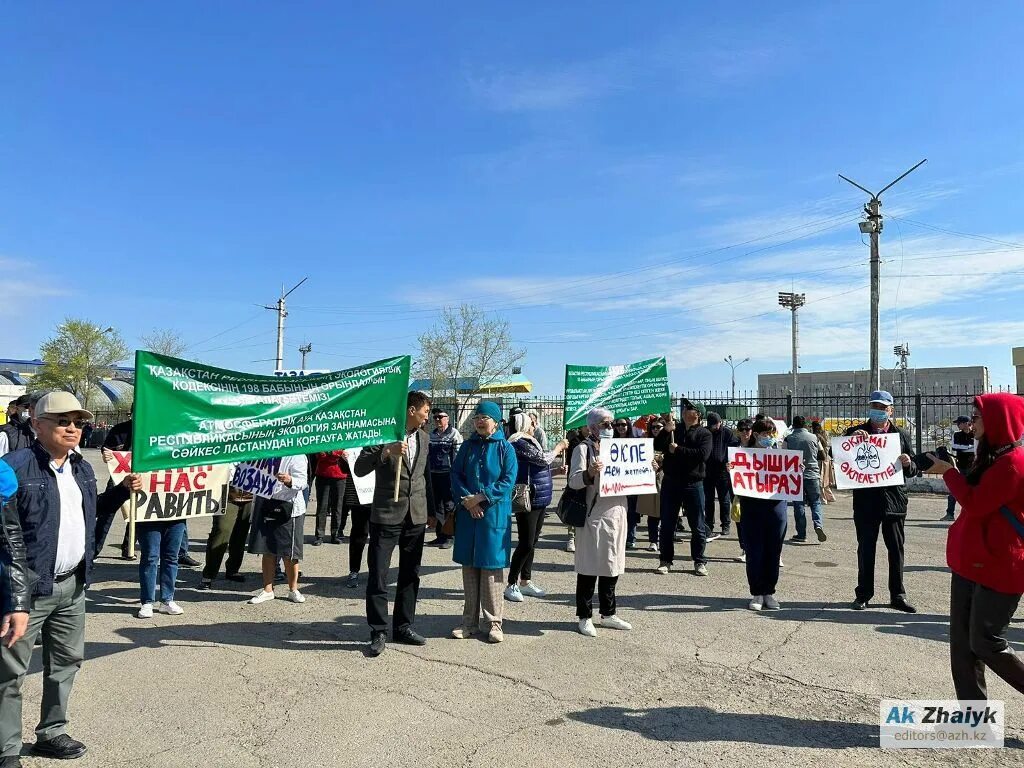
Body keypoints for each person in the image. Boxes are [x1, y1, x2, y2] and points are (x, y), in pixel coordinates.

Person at [0, 392, 140, 763]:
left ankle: (52, 732)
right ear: (37, 424)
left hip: (73, 586)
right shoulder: (12, 469)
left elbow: (89, 514)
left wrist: (121, 493)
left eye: (79, 422)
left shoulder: (80, 468)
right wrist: (15, 601)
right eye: (63, 421)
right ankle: (7, 748)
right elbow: (5, 541)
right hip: (26, 590)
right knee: (9, 675)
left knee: (64, 664)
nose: (73, 428)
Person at [925, 393, 1024, 700]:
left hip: (1000, 566)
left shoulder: (1012, 464)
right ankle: (974, 718)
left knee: (986, 642)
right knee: (963, 645)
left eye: (978, 417)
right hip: (972, 562)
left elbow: (976, 503)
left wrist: (949, 473)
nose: (972, 422)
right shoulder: (992, 455)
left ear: (998, 420)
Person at [354, 391, 435, 657]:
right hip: (387, 515)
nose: (427, 416)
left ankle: (403, 626)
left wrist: (433, 512)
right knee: (378, 574)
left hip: (416, 515)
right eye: (425, 411)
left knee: (410, 574)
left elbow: (425, 477)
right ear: (411, 410)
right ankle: (378, 630)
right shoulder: (383, 434)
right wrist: (387, 452)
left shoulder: (424, 437)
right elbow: (360, 468)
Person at [844, 390, 918, 613]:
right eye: (874, 407)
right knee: (866, 549)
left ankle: (898, 595)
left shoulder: (901, 435)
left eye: (882, 408)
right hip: (866, 503)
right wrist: (852, 440)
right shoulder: (855, 432)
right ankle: (863, 594)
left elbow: (914, 468)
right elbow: (837, 455)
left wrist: (908, 463)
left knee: (896, 550)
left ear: (890, 411)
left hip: (894, 502)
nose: (877, 412)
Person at [450, 401, 517, 643]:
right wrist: (467, 501)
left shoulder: (505, 449)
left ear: (496, 422)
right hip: (469, 516)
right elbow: (455, 475)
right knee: (469, 570)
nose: (479, 421)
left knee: (491, 572)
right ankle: (469, 624)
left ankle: (494, 624)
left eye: (484, 418)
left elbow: (508, 480)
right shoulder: (467, 446)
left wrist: (482, 498)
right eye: (477, 417)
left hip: (492, 517)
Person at [568, 408, 632, 637]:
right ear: (593, 427)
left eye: (612, 423)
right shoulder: (582, 449)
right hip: (594, 516)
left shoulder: (620, 450)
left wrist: (650, 470)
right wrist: (590, 474)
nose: (610, 428)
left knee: (611, 564)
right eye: (605, 424)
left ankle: (608, 613)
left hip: (617, 512)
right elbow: (574, 481)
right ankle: (584, 616)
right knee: (589, 567)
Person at [504, 412, 566, 602]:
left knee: (533, 542)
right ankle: (511, 583)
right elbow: (543, 459)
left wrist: (555, 471)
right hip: (529, 497)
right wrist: (559, 447)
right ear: (523, 425)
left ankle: (525, 581)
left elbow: (539, 468)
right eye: (531, 423)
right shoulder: (518, 442)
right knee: (526, 542)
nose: (534, 425)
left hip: (540, 497)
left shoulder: (530, 441)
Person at [737, 418, 788, 611]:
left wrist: (796, 471)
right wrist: (732, 472)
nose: (769, 437)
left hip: (776, 508)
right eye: (766, 434)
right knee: (755, 552)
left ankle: (769, 592)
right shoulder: (744, 455)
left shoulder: (780, 454)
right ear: (756, 435)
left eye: (772, 434)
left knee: (773, 552)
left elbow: (789, 478)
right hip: (752, 508)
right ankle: (756, 593)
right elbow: (736, 485)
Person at [245, 455, 309, 605]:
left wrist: (289, 480)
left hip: (289, 507)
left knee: (290, 552)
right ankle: (268, 590)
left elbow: (303, 482)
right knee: (268, 549)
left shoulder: (297, 454)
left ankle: (293, 589)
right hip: (267, 502)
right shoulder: (265, 450)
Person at [658, 400, 711, 577]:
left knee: (697, 525)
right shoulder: (674, 429)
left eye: (690, 408)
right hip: (671, 482)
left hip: (693, 484)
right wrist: (665, 431)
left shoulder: (704, 434)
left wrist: (678, 449)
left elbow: (701, 455)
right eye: (685, 408)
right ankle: (665, 560)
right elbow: (658, 445)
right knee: (667, 523)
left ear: (698, 414)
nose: (685, 410)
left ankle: (699, 560)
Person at [199, 484, 254, 590]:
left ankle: (233, 570)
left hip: (250, 496)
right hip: (226, 495)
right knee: (221, 533)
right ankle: (208, 574)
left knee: (240, 536)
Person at [784, 415, 828, 543]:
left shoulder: (789, 438)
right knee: (815, 502)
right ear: (805, 425)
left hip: (795, 475)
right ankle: (818, 525)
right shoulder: (814, 437)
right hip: (813, 474)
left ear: (793, 425)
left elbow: (784, 457)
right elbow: (823, 455)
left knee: (799, 504)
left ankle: (801, 534)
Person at [427, 410, 462, 549]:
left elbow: (459, 455)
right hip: (434, 474)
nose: (437, 419)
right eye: (435, 417)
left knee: (449, 505)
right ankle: (440, 536)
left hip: (448, 475)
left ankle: (450, 536)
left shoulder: (454, 434)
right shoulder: (432, 435)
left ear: (447, 418)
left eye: (440, 417)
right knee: (438, 506)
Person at [629, 417, 664, 551]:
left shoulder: (670, 441)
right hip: (650, 481)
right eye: (653, 427)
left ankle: (665, 540)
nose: (655, 429)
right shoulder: (646, 442)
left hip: (665, 480)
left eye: (658, 427)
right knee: (652, 512)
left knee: (666, 512)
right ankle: (653, 541)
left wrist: (661, 465)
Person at [340, 449, 371, 589]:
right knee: (358, 535)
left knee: (379, 538)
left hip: (380, 495)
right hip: (358, 496)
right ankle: (354, 571)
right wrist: (343, 459)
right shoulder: (354, 442)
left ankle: (376, 571)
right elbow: (343, 468)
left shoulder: (382, 438)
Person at [704, 412, 736, 540]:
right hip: (707, 471)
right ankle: (709, 525)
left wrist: (730, 462)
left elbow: (734, 448)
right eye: (712, 425)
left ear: (720, 422)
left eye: (716, 424)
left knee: (724, 500)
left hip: (723, 471)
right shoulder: (706, 432)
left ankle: (725, 525)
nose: (715, 427)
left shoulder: (727, 433)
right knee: (708, 500)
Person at [943, 416, 975, 521]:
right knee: (955, 490)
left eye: (959, 423)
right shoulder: (957, 435)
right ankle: (949, 514)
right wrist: (969, 448)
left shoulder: (975, 434)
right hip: (961, 466)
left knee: (973, 491)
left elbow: (977, 448)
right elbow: (955, 447)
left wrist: (967, 448)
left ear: (966, 423)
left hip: (974, 467)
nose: (958, 425)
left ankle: (971, 514)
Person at [312, 450, 347, 545]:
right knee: (322, 507)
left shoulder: (343, 436)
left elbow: (346, 453)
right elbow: (320, 454)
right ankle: (319, 535)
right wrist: (336, 454)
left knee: (338, 507)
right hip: (323, 474)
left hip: (340, 475)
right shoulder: (322, 435)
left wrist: (331, 453)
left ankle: (335, 534)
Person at [810, 420, 835, 504]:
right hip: (827, 459)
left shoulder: (815, 436)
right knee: (826, 480)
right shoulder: (825, 433)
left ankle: (823, 499)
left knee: (820, 479)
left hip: (820, 459)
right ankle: (830, 497)